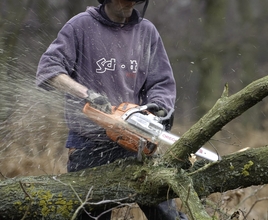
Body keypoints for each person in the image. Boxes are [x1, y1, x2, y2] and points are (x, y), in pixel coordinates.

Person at [36, 0, 188, 219]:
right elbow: (49, 69)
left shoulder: (146, 31)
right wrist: (85, 93)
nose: (130, 5)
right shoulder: (80, 26)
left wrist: (160, 108)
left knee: (165, 211)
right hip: (88, 144)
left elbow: (161, 82)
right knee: (91, 214)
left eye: (135, 1)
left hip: (135, 140)